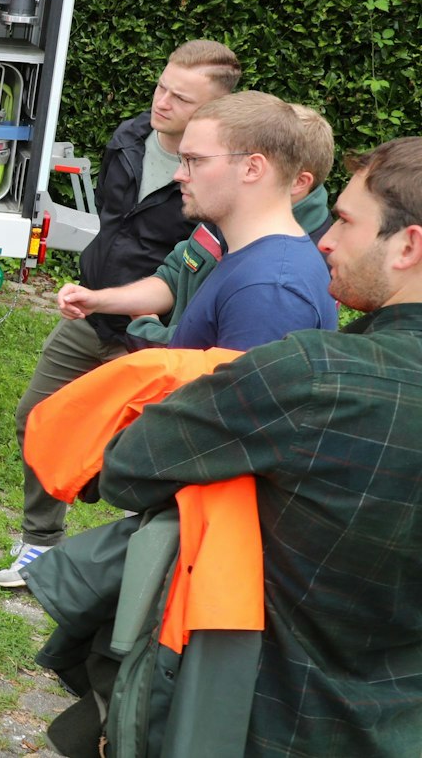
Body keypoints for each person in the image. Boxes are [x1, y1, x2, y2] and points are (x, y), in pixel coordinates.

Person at [100, 137, 422, 756]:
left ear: (408, 246)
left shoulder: (314, 376)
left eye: (346, 222)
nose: (324, 240)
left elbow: (129, 465)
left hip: (277, 717)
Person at [0, 38, 240, 587]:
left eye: (182, 98)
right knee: (40, 419)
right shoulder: (129, 137)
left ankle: (142, 559)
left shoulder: (222, 174)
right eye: (162, 88)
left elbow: (197, 267)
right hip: (91, 312)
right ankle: (41, 541)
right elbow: (113, 224)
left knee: (149, 451)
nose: (163, 103)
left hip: (158, 335)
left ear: (215, 111)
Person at [56, 91, 337, 351]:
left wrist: (146, 329)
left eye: (195, 160)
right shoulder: (246, 249)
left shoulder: (271, 290)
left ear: (253, 168)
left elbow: (225, 399)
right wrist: (100, 301)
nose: (179, 174)